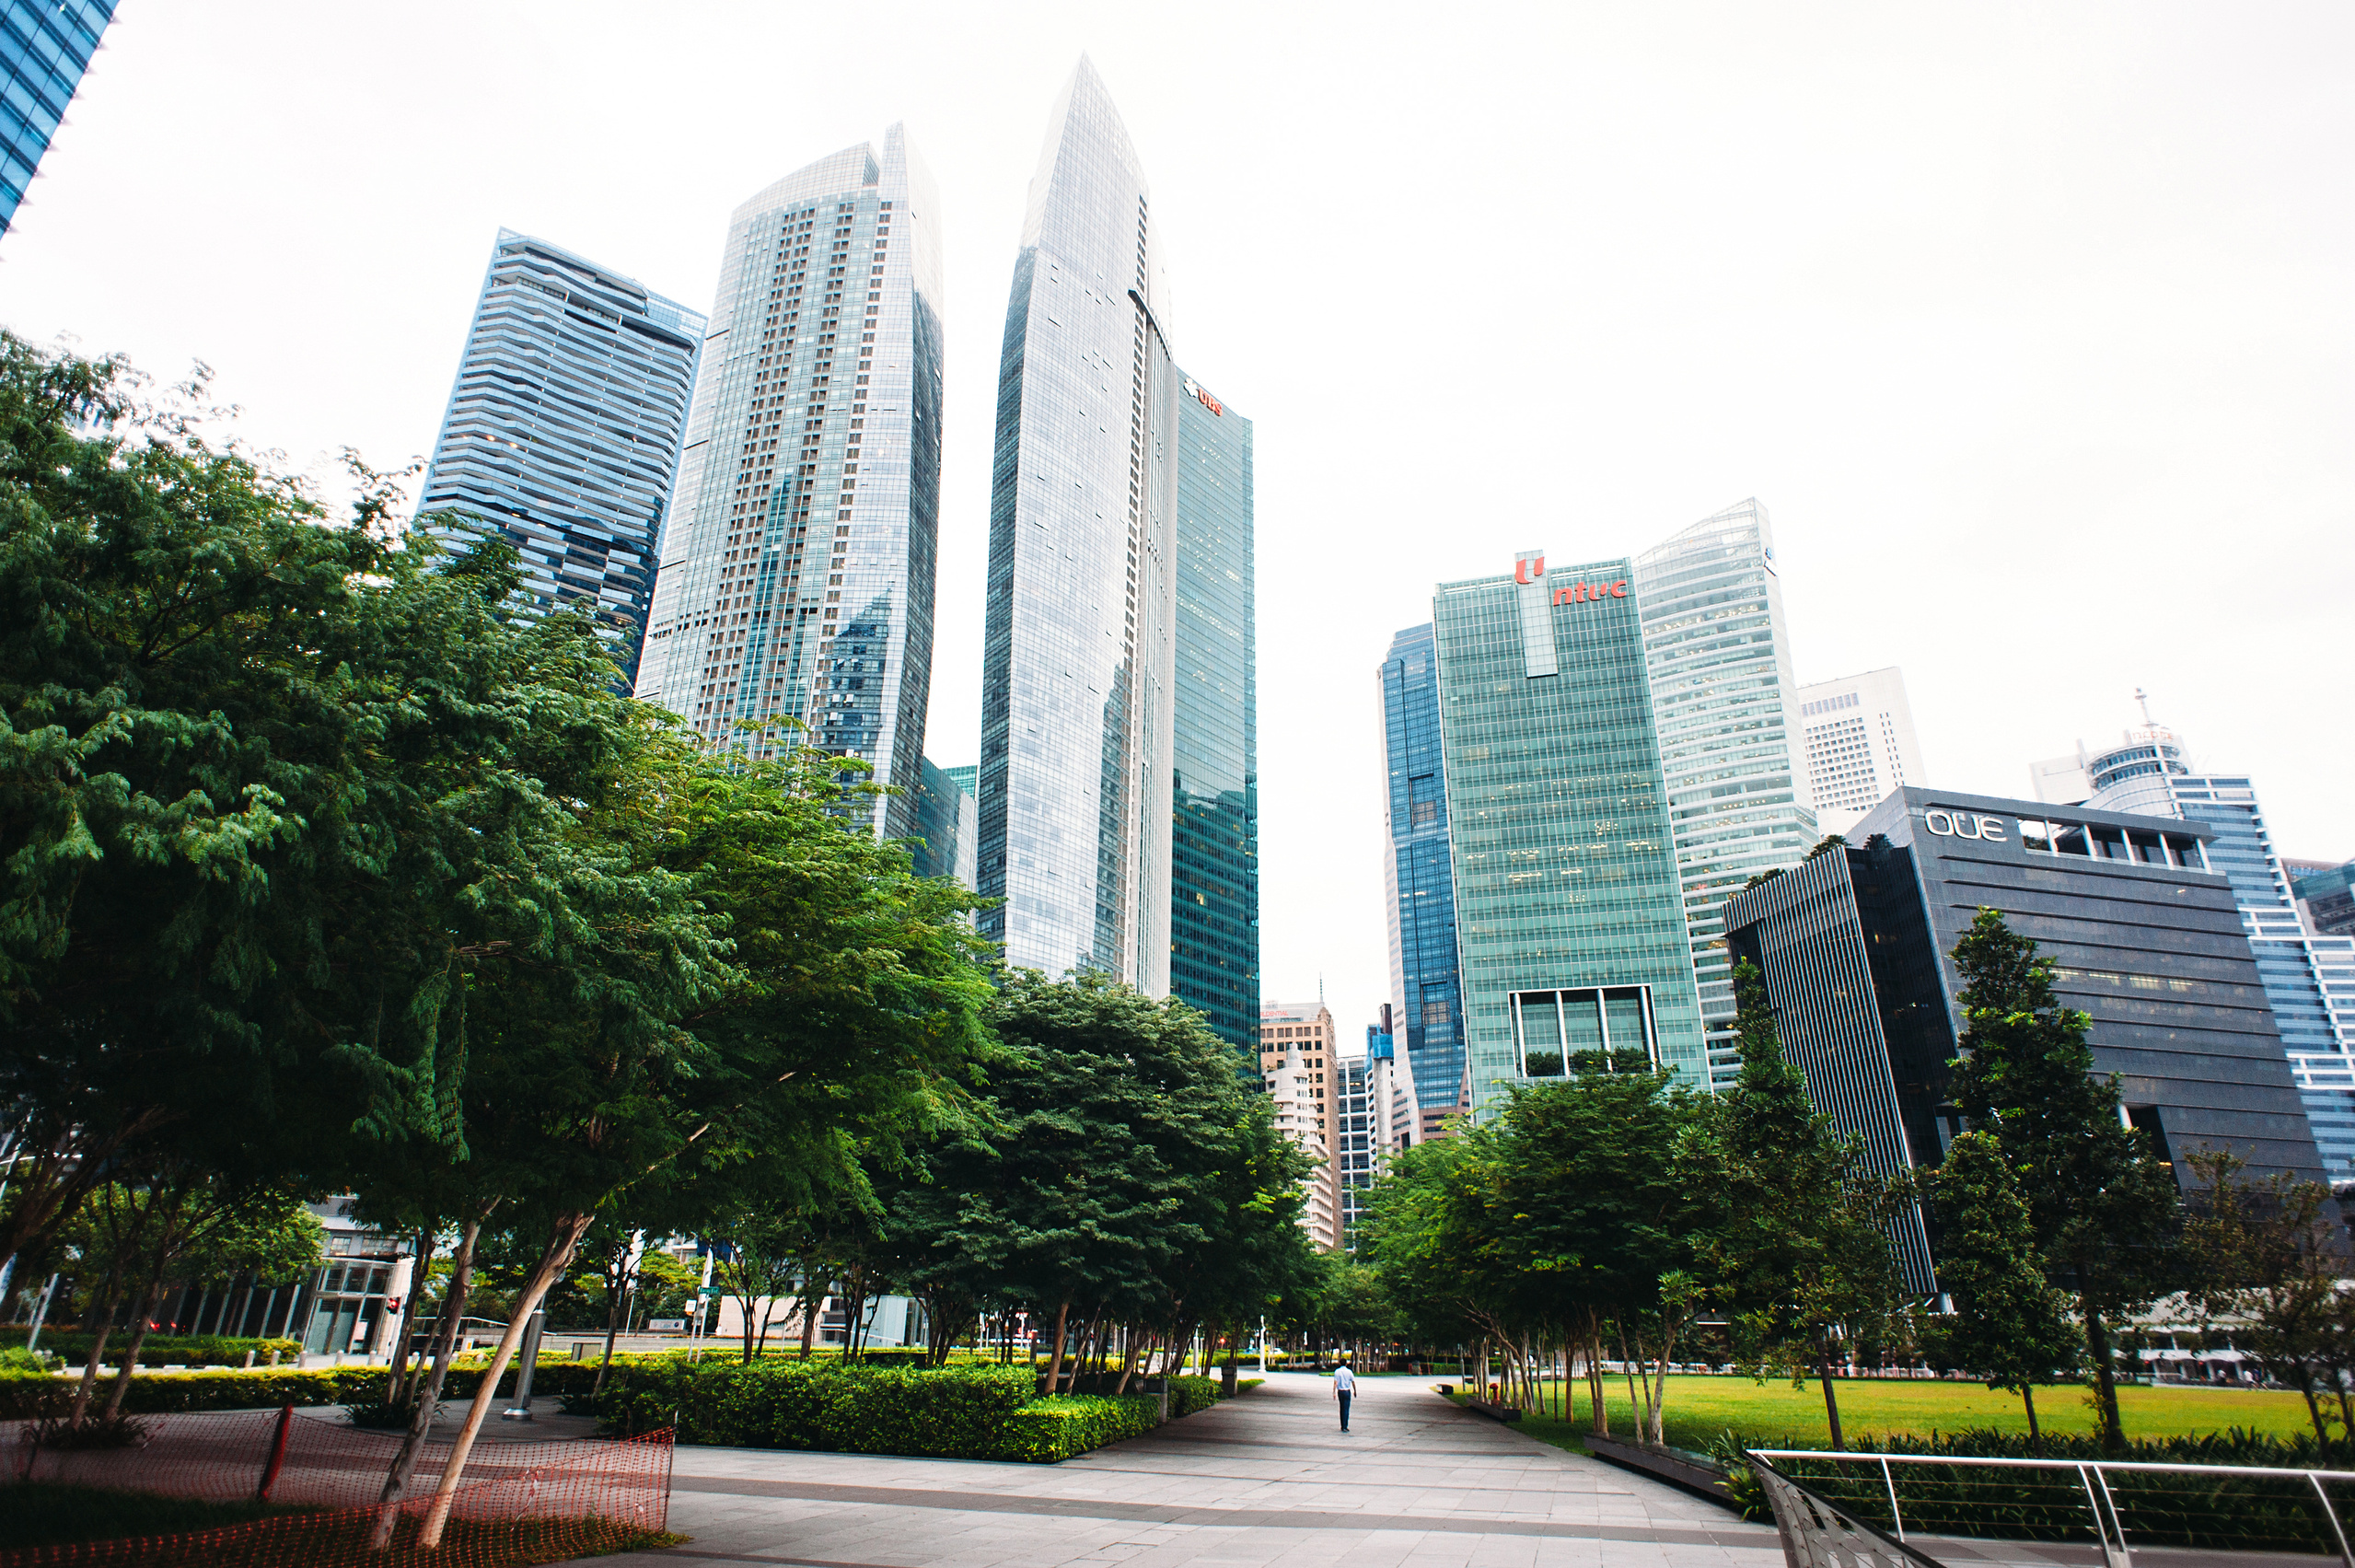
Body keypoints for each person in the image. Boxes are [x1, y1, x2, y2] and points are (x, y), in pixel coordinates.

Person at [1333, 1355, 1356, 1431]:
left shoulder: (1337, 1371)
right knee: (1346, 1408)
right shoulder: (1349, 1372)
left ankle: (1342, 1425)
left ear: (1340, 1363)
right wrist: (1355, 1391)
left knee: (1341, 1408)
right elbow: (1353, 1382)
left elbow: (1335, 1383)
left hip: (1340, 1391)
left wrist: (1334, 1392)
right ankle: (1345, 1425)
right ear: (1346, 1364)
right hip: (1347, 1391)